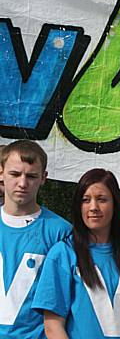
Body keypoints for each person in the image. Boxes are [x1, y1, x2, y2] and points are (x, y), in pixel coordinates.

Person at [32, 168, 120, 339]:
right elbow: (53, 324)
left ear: (115, 204)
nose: (93, 207)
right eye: (86, 200)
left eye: (101, 199)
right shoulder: (63, 254)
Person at [0, 140, 71, 339]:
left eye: (31, 176)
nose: (22, 183)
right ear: (1, 173)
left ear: (43, 178)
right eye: (15, 174)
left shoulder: (62, 232)